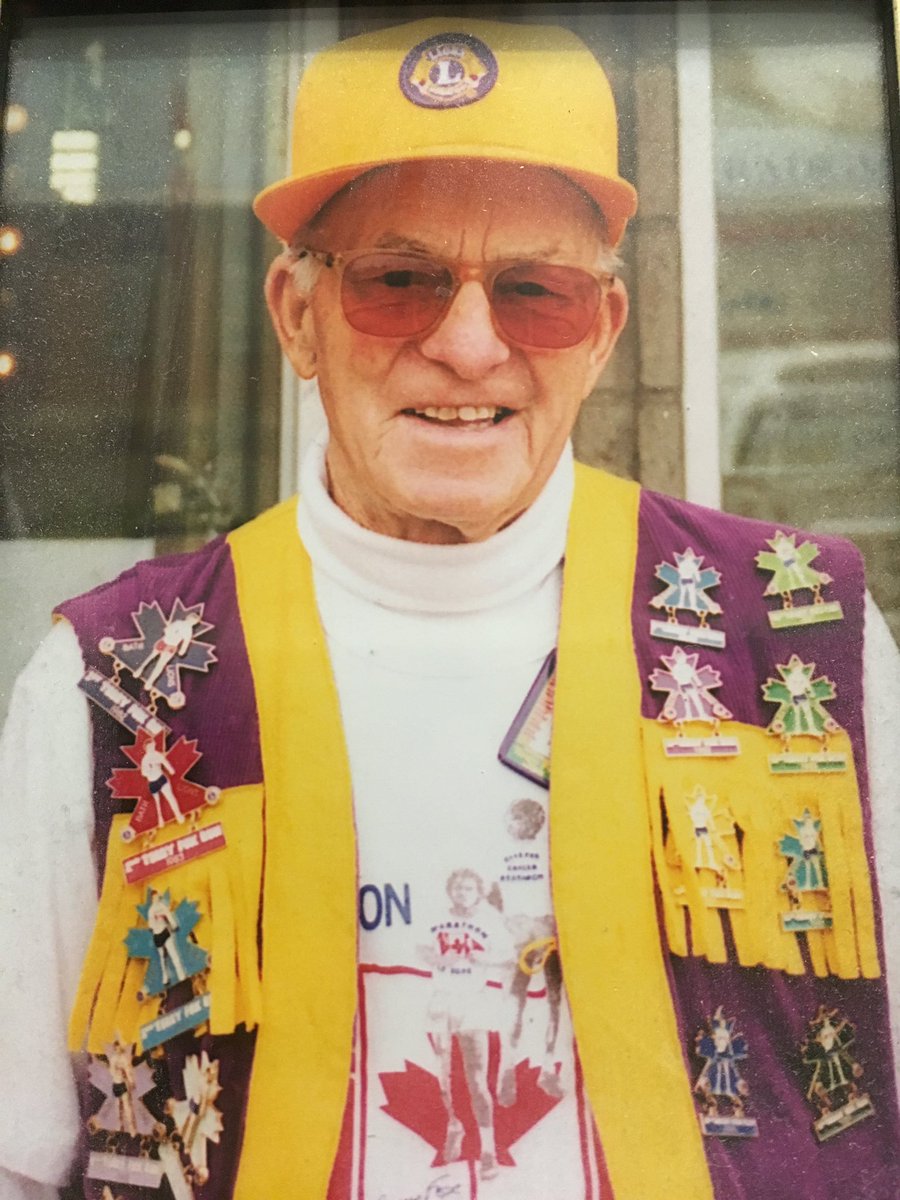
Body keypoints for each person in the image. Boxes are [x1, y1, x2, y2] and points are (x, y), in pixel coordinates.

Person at [0, 15, 898, 1200]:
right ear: (295, 315)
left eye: (535, 292)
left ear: (605, 333)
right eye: (398, 282)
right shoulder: (105, 681)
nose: (469, 346)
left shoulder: (804, 639)